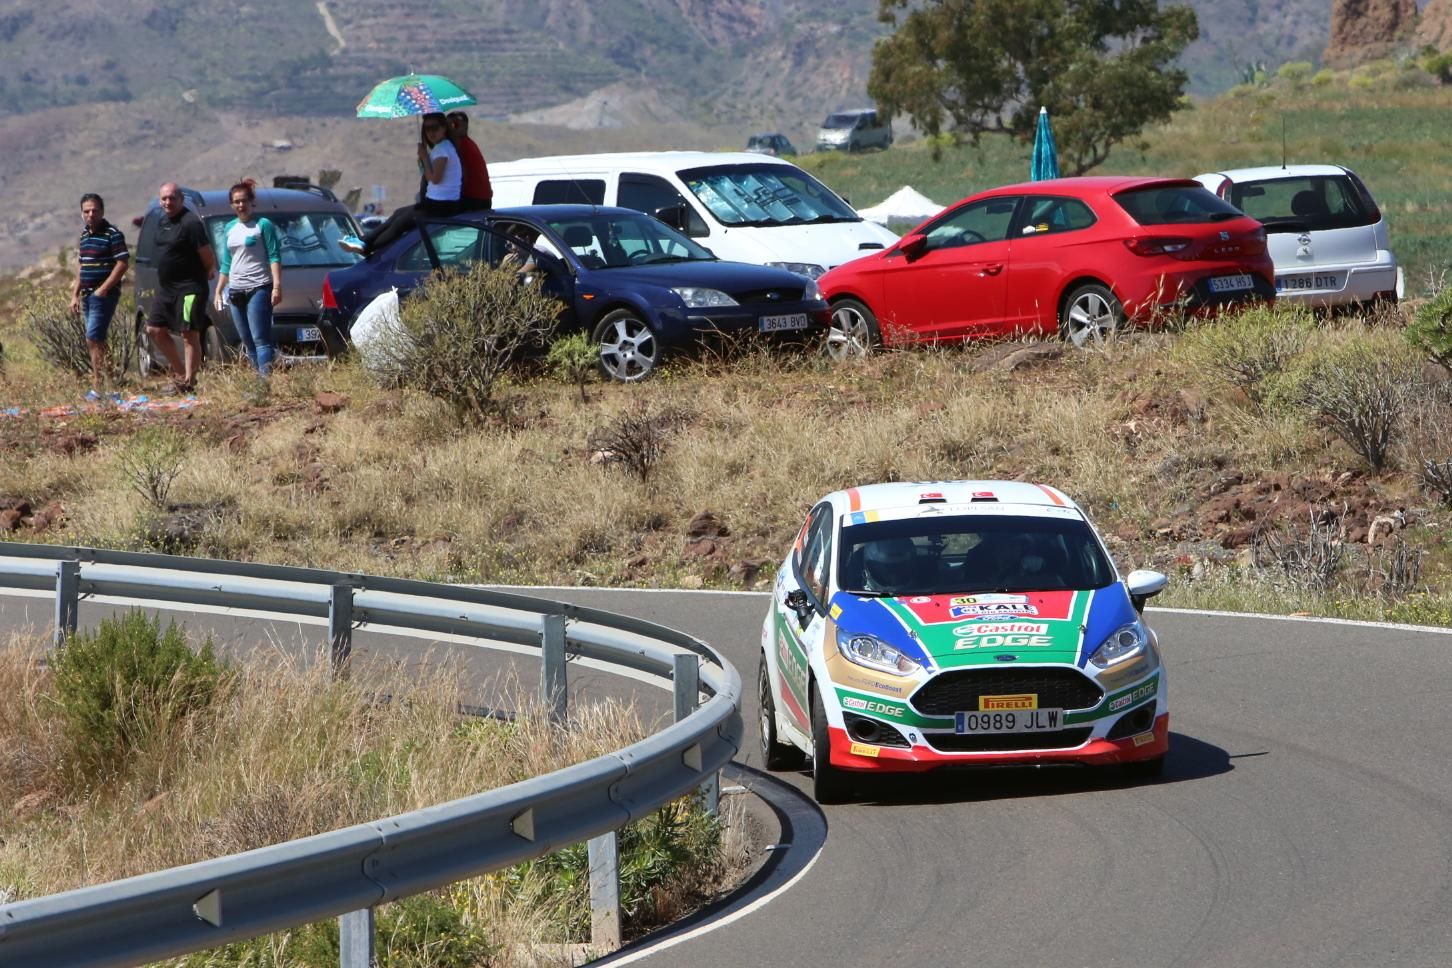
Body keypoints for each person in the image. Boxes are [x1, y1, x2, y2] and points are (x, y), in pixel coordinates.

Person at [342, 112, 462, 257]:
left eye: (435, 128)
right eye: (427, 129)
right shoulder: (443, 148)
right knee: (398, 213)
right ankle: (363, 240)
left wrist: (424, 157)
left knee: (400, 224)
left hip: (441, 206)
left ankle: (366, 248)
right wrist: (423, 159)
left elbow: (435, 179)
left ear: (444, 128)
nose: (431, 132)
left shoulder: (443, 150)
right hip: (436, 203)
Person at [147, 182, 215, 393]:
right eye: (164, 198)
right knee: (154, 329)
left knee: (189, 333)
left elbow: (207, 257)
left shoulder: (191, 223)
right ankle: (179, 373)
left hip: (189, 289)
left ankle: (189, 381)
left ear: (181, 200)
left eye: (172, 198)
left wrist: (205, 272)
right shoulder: (163, 221)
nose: (168, 202)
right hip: (167, 289)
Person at [213, 179, 281, 378]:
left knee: (261, 338)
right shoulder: (229, 228)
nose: (241, 205)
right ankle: (256, 379)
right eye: (236, 202)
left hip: (259, 287)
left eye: (244, 201)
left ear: (252, 202)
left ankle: (264, 382)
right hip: (236, 290)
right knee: (246, 339)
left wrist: (277, 286)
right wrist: (218, 290)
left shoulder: (262, 225)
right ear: (232, 205)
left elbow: (275, 256)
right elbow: (227, 261)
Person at [70, 193, 129, 401]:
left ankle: (97, 386)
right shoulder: (85, 236)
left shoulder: (112, 234)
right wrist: (74, 295)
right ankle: (111, 384)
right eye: (87, 211)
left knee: (93, 337)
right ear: (81, 213)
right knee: (98, 340)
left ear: (102, 211)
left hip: (103, 296)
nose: (91, 214)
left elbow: (122, 263)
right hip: (86, 295)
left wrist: (104, 289)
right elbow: (82, 266)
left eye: (95, 210)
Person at [447, 111, 492, 210]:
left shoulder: (461, 145)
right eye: (447, 125)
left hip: (474, 199)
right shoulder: (467, 144)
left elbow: (463, 176)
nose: (451, 129)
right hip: (480, 198)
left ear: (465, 127)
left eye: (455, 125)